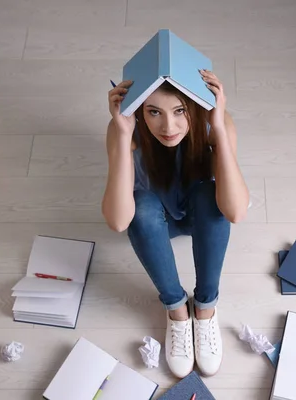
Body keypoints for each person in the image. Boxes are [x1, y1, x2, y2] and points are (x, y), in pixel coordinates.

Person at [101, 69, 249, 378]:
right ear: (140, 109)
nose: (168, 126)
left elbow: (235, 212)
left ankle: (205, 307)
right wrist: (124, 131)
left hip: (201, 217)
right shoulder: (125, 129)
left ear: (194, 105)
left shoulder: (214, 123)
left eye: (180, 110)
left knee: (213, 195)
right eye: (153, 112)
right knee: (139, 207)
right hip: (155, 224)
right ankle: (177, 309)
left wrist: (219, 130)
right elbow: (117, 221)